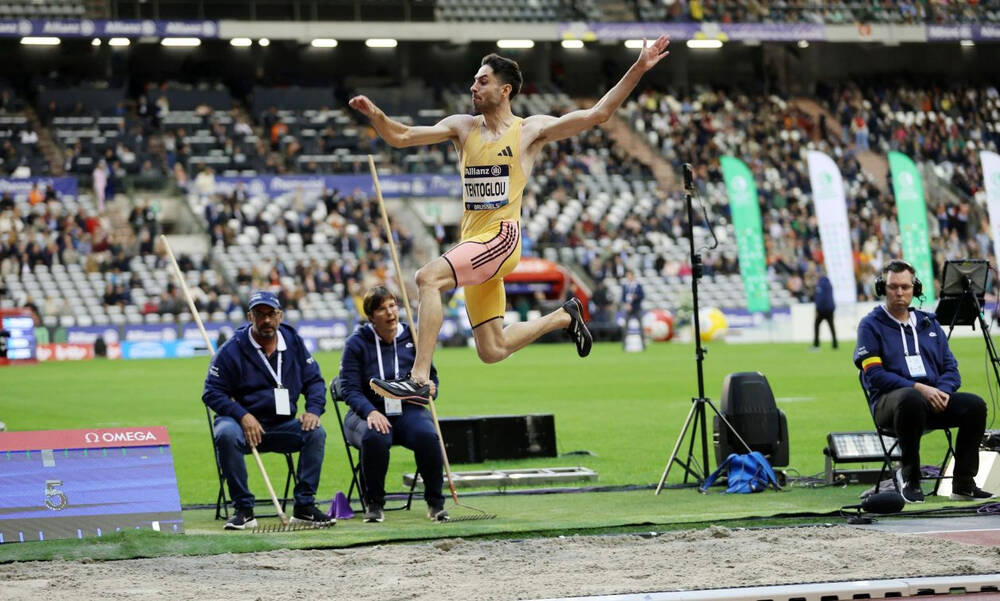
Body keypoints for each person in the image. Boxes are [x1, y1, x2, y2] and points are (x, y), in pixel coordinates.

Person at [349, 35, 672, 402]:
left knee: (427, 277)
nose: (473, 86)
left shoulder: (528, 131)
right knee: (492, 348)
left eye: (482, 81)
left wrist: (639, 66)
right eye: (473, 80)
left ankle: (419, 379)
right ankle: (564, 317)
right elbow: (402, 136)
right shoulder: (463, 127)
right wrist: (376, 115)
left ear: (504, 90)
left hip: (501, 239)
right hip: (472, 242)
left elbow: (598, 114)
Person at [854, 260, 993, 504]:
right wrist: (919, 388)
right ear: (882, 289)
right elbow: (874, 374)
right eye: (893, 287)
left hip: (931, 401)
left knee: (975, 406)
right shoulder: (870, 325)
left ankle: (963, 483)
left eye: (905, 287)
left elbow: (951, 369)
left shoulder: (930, 323)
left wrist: (941, 392)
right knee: (911, 398)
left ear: (914, 289)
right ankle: (910, 478)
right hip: (892, 405)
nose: (899, 292)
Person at [202, 290, 334, 530]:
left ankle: (304, 507)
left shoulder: (293, 342)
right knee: (225, 434)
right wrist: (242, 415)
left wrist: (313, 410)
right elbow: (211, 392)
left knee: (316, 432)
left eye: (271, 314)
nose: (266, 320)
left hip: (281, 425)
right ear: (249, 317)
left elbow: (314, 381)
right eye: (259, 315)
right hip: (242, 426)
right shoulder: (232, 349)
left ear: (280, 316)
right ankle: (244, 509)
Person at [338, 286, 448, 523]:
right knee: (375, 436)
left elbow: (432, 377)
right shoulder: (356, 343)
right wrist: (370, 412)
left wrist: (430, 388)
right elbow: (349, 389)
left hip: (407, 410)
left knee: (428, 435)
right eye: (381, 308)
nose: (390, 313)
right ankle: (374, 503)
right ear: (370, 317)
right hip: (367, 411)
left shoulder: (415, 338)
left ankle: (435, 503)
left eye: (392, 306)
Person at [812, 272, 837, 349]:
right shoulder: (829, 284)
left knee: (816, 325)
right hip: (830, 309)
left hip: (822, 310)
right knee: (831, 326)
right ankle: (835, 344)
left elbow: (820, 298)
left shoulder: (820, 284)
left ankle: (816, 344)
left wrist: (817, 309)